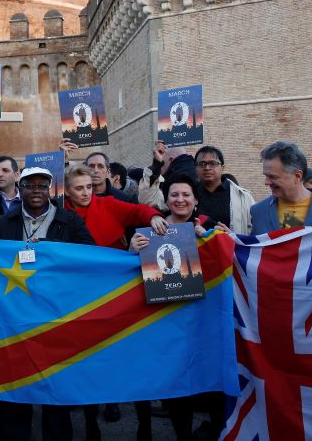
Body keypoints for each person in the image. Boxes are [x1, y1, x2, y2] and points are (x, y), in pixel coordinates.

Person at [0, 166, 95, 441]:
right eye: (30, 186)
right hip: (15, 319)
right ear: (19, 190)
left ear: (50, 189)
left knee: (55, 387)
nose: (36, 191)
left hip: (55, 317)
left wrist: (51, 253)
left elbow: (91, 258)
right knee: (16, 385)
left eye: (41, 186)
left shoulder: (70, 222)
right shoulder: (3, 223)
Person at [64, 164, 161, 439]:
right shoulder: (63, 215)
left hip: (121, 296)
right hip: (85, 298)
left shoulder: (108, 204)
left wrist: (153, 218)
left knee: (133, 360)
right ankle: (91, 423)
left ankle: (145, 426)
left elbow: (139, 211)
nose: (86, 193)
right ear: (68, 191)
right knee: (91, 363)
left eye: (89, 187)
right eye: (79, 188)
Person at [139, 175, 226, 440]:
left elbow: (231, 254)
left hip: (204, 320)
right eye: (174, 195)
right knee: (178, 384)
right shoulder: (153, 229)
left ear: (195, 200)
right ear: (166, 199)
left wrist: (212, 239)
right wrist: (134, 249)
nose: (180, 199)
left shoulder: (210, 227)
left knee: (210, 382)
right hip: (167, 320)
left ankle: (217, 430)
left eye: (186, 195)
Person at [249, 142, 312, 234]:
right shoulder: (258, 211)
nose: (266, 182)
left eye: (273, 177)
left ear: (297, 176)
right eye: (266, 176)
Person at [193, 145, 254, 234]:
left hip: (232, 246)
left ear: (222, 167)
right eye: (202, 164)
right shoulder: (188, 194)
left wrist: (233, 236)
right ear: (196, 168)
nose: (207, 168)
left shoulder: (242, 196)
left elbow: (253, 230)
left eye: (213, 163)